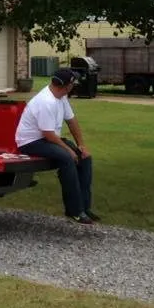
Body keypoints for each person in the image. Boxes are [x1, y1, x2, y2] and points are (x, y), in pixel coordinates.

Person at [15, 68, 100, 225]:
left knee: (85, 158)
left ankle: (85, 207)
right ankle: (74, 211)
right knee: (67, 159)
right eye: (73, 84)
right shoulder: (46, 101)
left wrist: (81, 146)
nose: (73, 86)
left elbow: (72, 121)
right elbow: (48, 134)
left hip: (48, 138)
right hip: (31, 142)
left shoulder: (61, 97)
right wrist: (68, 150)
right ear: (67, 86)